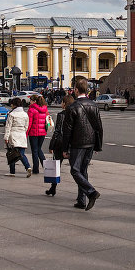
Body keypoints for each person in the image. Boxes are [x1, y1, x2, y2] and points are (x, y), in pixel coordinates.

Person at [62, 77, 103, 211]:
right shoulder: (94, 105)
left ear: (76, 90)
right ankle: (81, 200)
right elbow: (99, 127)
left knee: (75, 170)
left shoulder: (72, 107)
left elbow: (67, 130)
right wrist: (98, 145)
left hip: (77, 143)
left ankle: (91, 192)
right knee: (83, 170)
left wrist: (65, 148)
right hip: (90, 143)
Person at [46, 94, 74, 197]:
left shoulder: (61, 115)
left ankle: (53, 188)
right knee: (75, 169)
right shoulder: (75, 113)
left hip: (60, 144)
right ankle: (82, 194)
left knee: (56, 167)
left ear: (65, 104)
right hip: (71, 144)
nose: (61, 103)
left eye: (62, 102)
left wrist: (51, 145)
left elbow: (57, 131)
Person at [4, 97, 31, 178]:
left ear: (14, 105)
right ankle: (28, 167)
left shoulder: (11, 114)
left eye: (12, 104)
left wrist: (6, 137)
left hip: (13, 134)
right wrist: (23, 132)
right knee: (21, 154)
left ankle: (12, 172)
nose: (11, 105)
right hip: (22, 134)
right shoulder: (25, 114)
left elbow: (8, 127)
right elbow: (26, 126)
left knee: (12, 153)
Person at [26, 94, 48, 174]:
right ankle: (46, 167)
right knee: (39, 149)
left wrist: (26, 133)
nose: (30, 102)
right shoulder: (45, 109)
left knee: (35, 151)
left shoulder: (31, 109)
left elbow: (29, 123)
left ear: (34, 101)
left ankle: (36, 169)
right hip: (42, 133)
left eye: (31, 100)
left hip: (33, 133)